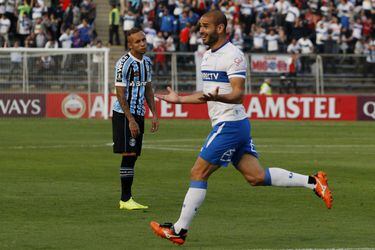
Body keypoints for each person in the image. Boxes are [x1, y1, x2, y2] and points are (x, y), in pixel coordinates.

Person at [150, 10, 333, 245]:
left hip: (230, 124)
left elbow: (237, 94)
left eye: (206, 26)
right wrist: (179, 100)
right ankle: (314, 182)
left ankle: (179, 230)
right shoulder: (207, 56)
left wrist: (219, 97)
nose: (201, 30)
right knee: (256, 176)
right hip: (235, 124)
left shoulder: (233, 55)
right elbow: (207, 96)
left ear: (220, 28)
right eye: (200, 26)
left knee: (198, 172)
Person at [112, 27, 159, 210]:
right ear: (130, 44)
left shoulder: (146, 62)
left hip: (139, 113)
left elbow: (148, 88)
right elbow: (120, 94)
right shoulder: (123, 64)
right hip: (124, 115)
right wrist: (130, 119)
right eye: (137, 41)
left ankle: (127, 199)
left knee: (134, 156)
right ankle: (125, 199)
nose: (142, 43)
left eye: (143, 40)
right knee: (129, 154)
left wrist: (154, 113)